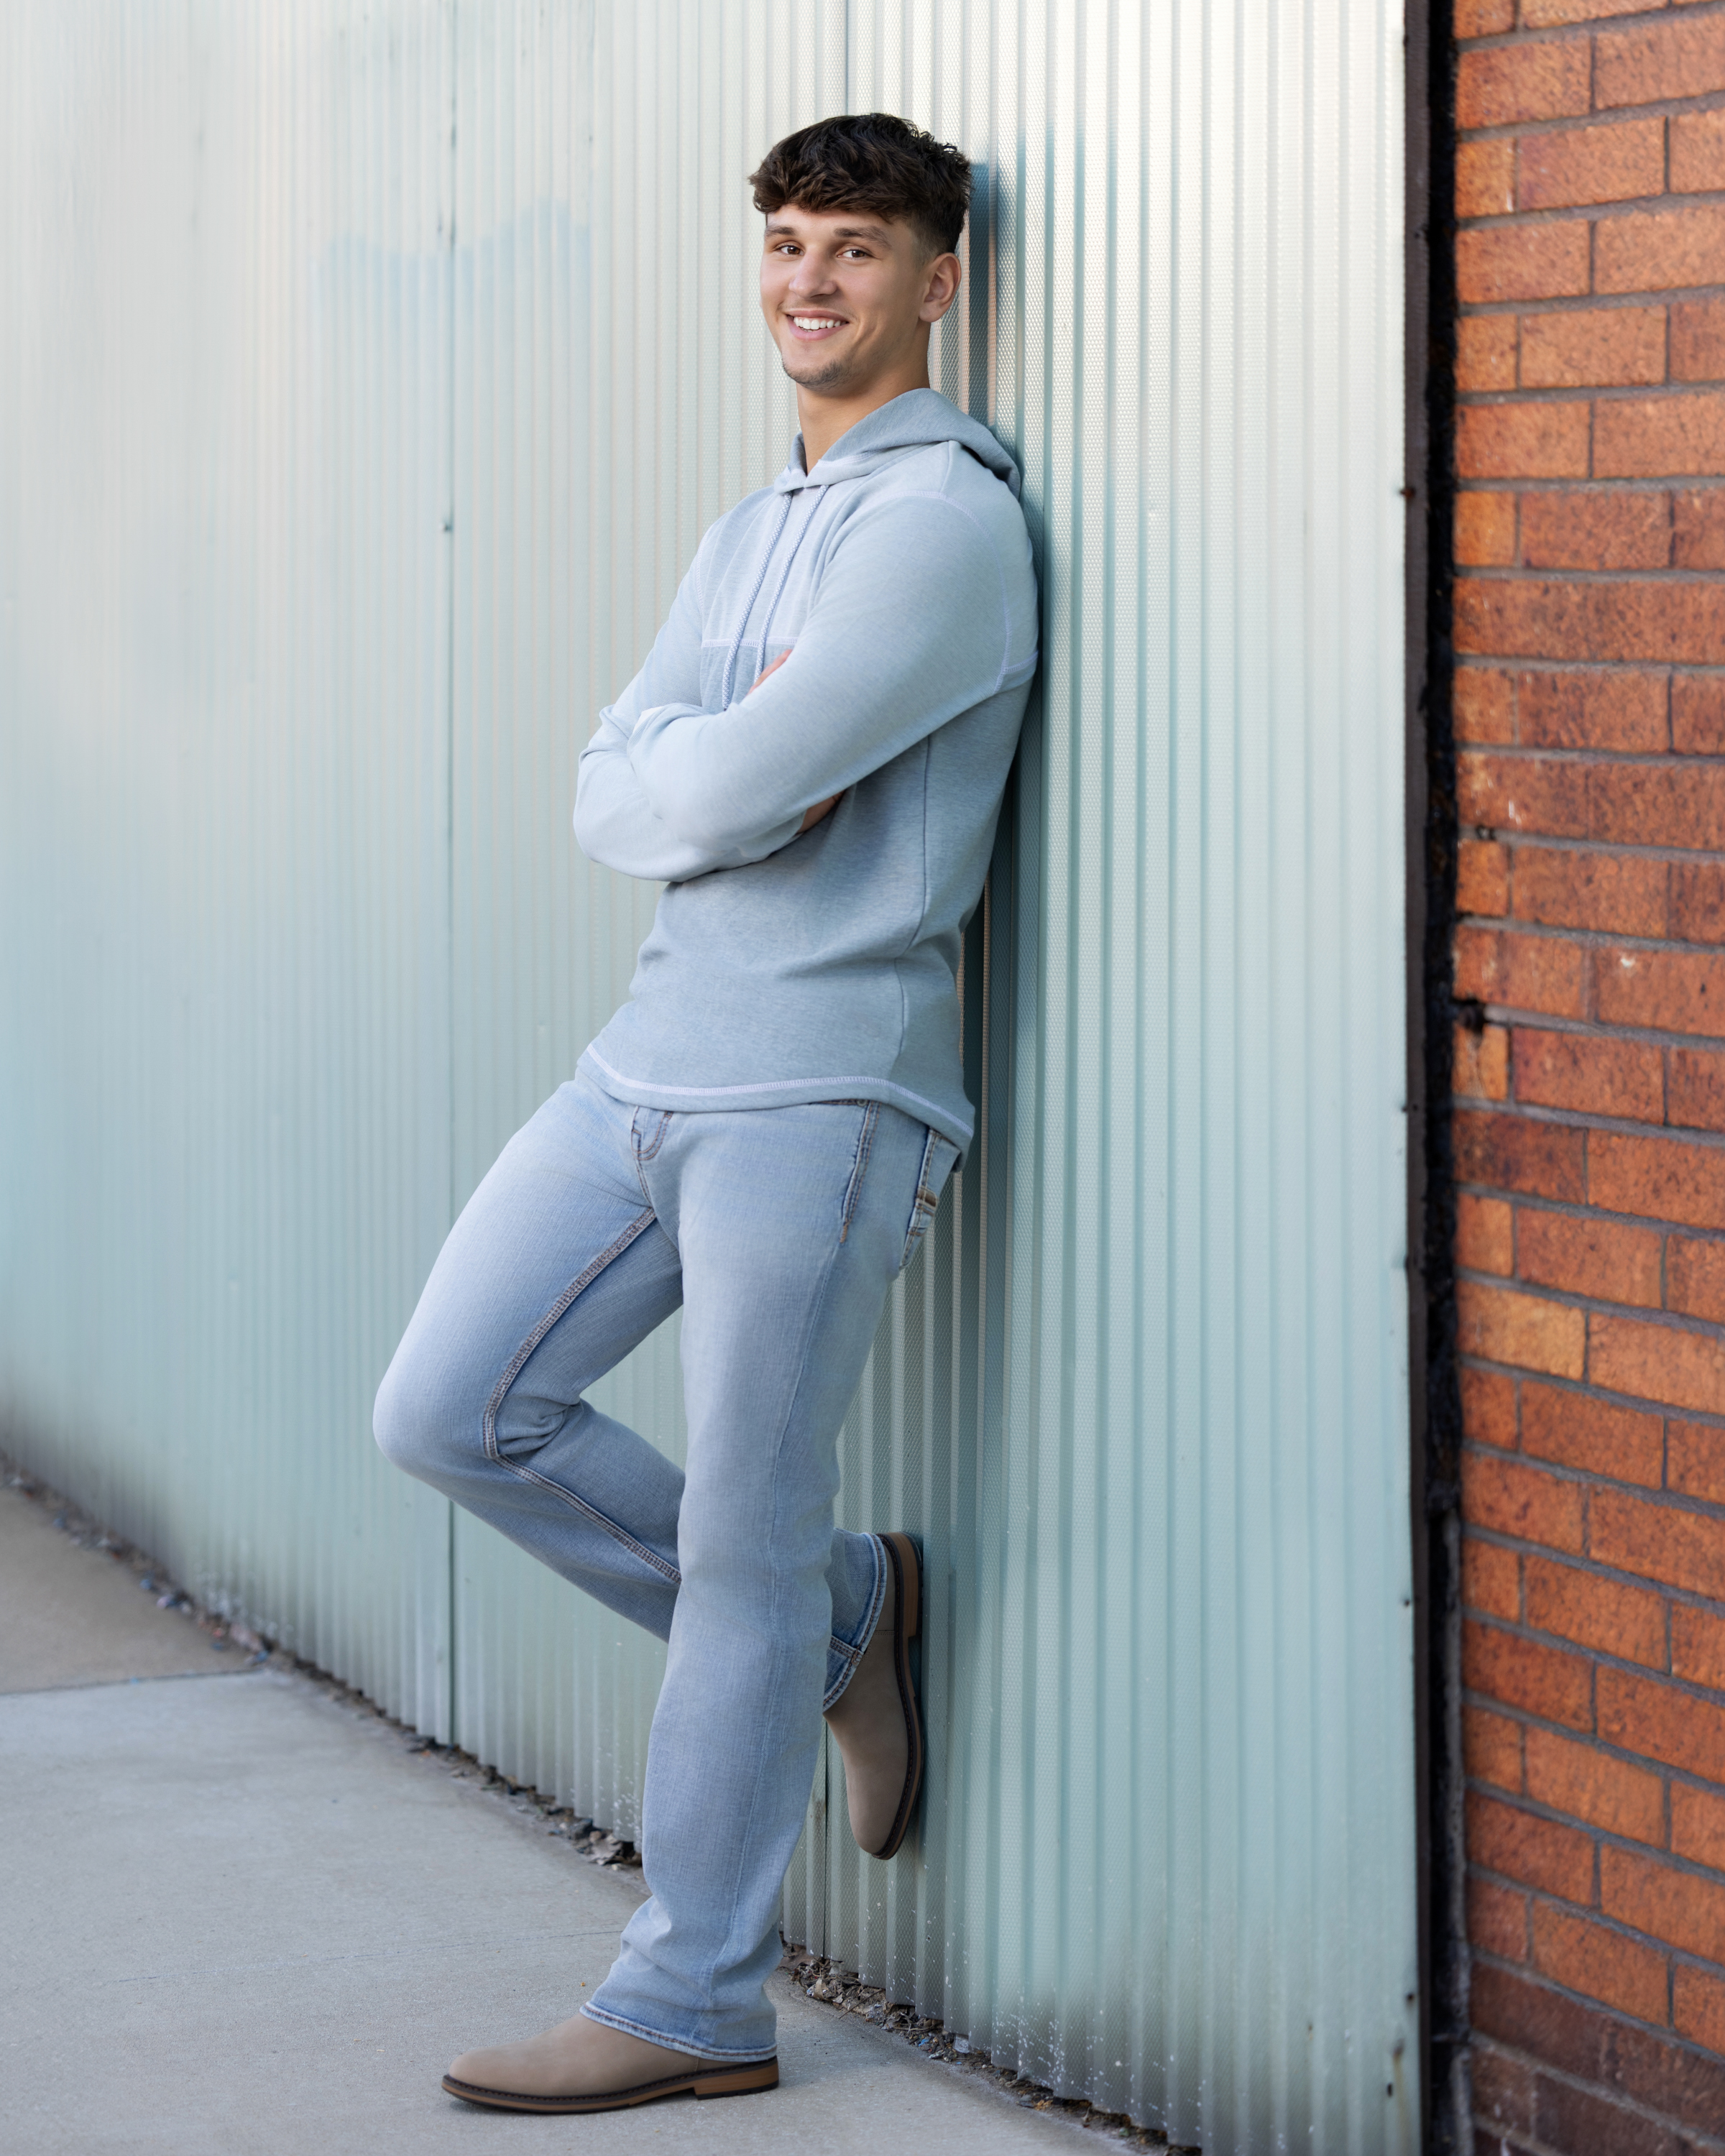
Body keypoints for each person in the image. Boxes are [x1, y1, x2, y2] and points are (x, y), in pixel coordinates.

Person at [374, 110, 1038, 2116]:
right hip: (643, 1066)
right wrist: (709, 778)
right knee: (450, 1410)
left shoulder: (944, 527)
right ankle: (850, 1620)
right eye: (786, 246)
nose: (809, 283)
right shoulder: (752, 527)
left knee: (742, 1535)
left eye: (856, 249)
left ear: (938, 282)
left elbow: (717, 785)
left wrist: (707, 776)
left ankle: (692, 1999)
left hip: (819, 1092)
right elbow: (622, 781)